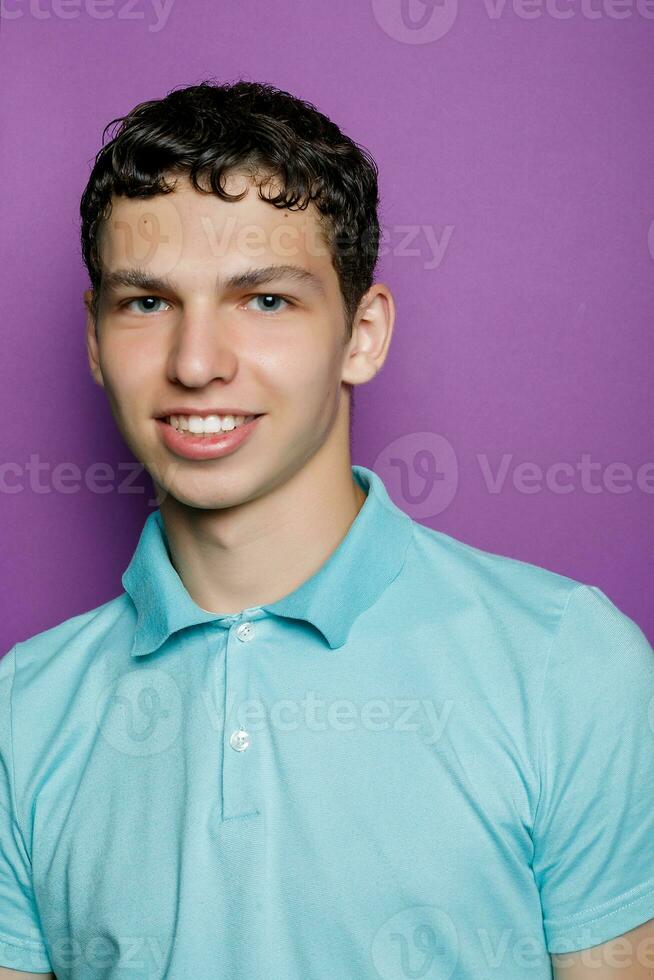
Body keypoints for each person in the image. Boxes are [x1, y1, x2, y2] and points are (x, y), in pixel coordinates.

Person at [1, 79, 653, 980]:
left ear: (363, 333)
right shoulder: (21, 712)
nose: (197, 364)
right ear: (94, 339)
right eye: (147, 303)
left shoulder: (568, 665)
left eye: (265, 300)